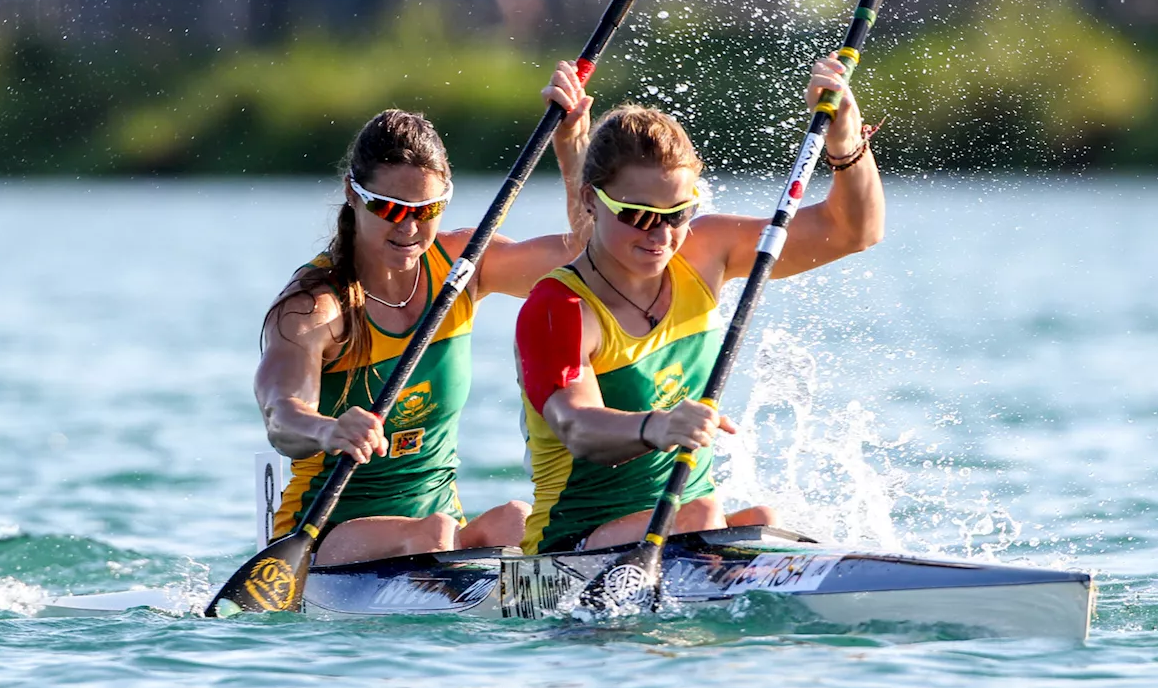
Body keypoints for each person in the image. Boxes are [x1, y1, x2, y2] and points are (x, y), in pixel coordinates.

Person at [516, 55, 885, 555]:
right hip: (573, 546)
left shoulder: (705, 250)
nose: (662, 236)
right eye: (639, 216)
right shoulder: (559, 306)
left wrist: (844, 142)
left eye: (679, 213)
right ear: (590, 198)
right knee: (707, 513)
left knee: (764, 519)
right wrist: (660, 426)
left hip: (679, 527)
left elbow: (853, 232)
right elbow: (578, 427)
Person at [258, 61, 594, 566]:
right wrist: (326, 429)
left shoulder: (460, 268)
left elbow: (593, 264)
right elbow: (280, 416)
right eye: (391, 209)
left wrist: (572, 150)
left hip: (439, 537)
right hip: (326, 537)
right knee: (433, 532)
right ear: (354, 194)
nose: (410, 228)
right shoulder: (314, 308)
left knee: (516, 518)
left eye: (427, 210)